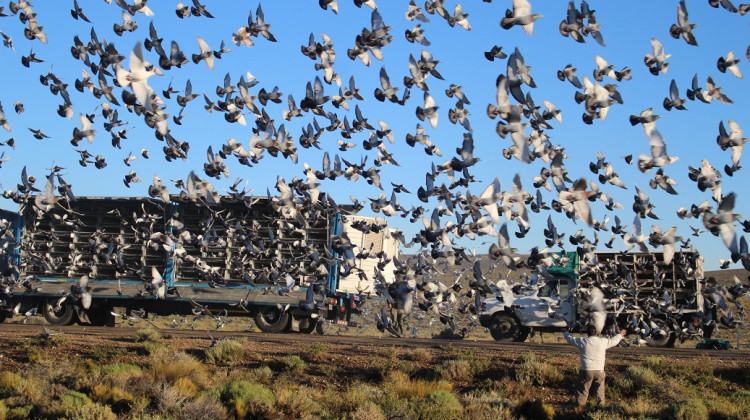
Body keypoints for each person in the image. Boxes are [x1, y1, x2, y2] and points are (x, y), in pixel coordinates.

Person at [563, 323, 626, 410]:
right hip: (600, 371)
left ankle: (579, 410)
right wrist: (620, 335)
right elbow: (613, 341)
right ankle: (600, 411)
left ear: (587, 333)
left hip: (586, 370)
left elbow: (571, 339)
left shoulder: (583, 341)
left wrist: (566, 332)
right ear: (596, 332)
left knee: (583, 392)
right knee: (600, 392)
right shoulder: (603, 341)